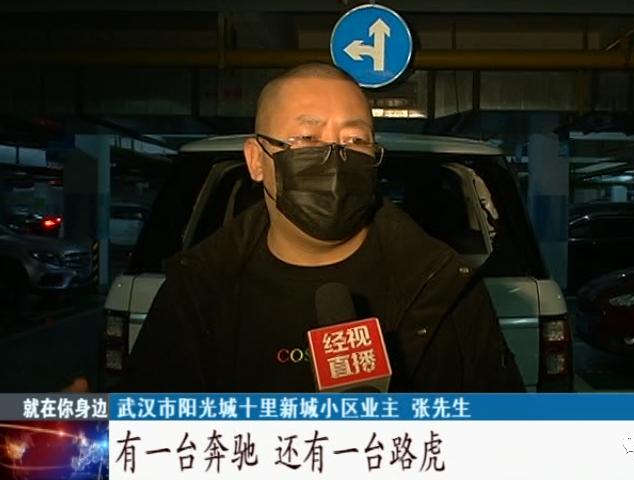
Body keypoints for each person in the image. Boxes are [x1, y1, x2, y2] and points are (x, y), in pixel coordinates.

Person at [121, 63, 524, 392]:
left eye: (356, 140)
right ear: (257, 160)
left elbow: (504, 438)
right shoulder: (196, 289)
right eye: (307, 137)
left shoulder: (443, 283)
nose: (335, 158)